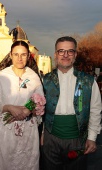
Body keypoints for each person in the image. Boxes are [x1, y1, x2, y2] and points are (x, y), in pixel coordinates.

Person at [0, 40, 45, 170]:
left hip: (27, 131)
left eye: (23, 54)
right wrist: (9, 107)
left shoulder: (34, 77)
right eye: (16, 54)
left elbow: (39, 100)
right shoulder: (1, 76)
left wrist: (28, 110)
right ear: (11, 55)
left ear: (28, 56)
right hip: (5, 130)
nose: (19, 58)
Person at [41, 36, 102, 170]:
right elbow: (41, 110)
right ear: (55, 54)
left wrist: (92, 138)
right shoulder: (45, 80)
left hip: (78, 140)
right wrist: (42, 135)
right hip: (51, 139)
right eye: (61, 51)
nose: (65, 55)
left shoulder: (89, 81)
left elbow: (95, 110)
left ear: (75, 54)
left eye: (70, 51)